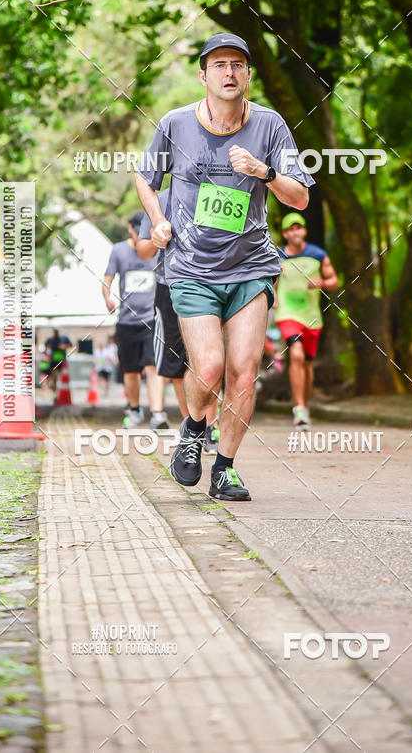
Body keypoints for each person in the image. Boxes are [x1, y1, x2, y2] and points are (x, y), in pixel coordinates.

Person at [135, 32, 313, 501]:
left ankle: (225, 469)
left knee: (242, 369)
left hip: (251, 265)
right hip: (191, 266)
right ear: (203, 75)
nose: (229, 73)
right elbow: (144, 176)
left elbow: (302, 196)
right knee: (209, 366)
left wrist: (265, 172)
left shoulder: (271, 127)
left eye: (237, 65)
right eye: (219, 65)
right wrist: (158, 220)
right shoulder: (175, 124)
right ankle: (194, 430)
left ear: (248, 74)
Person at [136, 188, 221, 453]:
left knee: (211, 361)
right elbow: (142, 250)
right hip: (170, 286)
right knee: (177, 363)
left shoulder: (214, 191)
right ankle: (194, 426)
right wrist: (158, 236)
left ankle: (212, 426)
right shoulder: (159, 199)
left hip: (212, 284)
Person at [102, 212, 169, 430]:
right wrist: (107, 297)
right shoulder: (119, 250)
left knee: (153, 367)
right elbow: (108, 277)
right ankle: (134, 409)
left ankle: (157, 413)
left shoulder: (156, 247)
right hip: (127, 321)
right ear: (131, 229)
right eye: (139, 231)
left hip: (152, 318)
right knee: (130, 370)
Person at [275, 213, 339, 427]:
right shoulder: (278, 257)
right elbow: (271, 282)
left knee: (308, 364)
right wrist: (272, 298)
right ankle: (299, 409)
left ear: (304, 231)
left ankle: (305, 405)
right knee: (296, 354)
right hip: (287, 314)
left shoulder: (318, 255)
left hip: (311, 318)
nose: (295, 232)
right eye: (290, 229)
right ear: (285, 234)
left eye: (298, 227)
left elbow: (334, 281)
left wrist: (322, 281)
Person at [45, 328, 71, 392]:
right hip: (53, 361)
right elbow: (46, 347)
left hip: (62, 361)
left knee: (61, 376)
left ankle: (57, 388)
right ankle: (54, 388)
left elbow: (71, 345)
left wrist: (64, 346)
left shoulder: (64, 339)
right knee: (54, 376)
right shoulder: (50, 340)